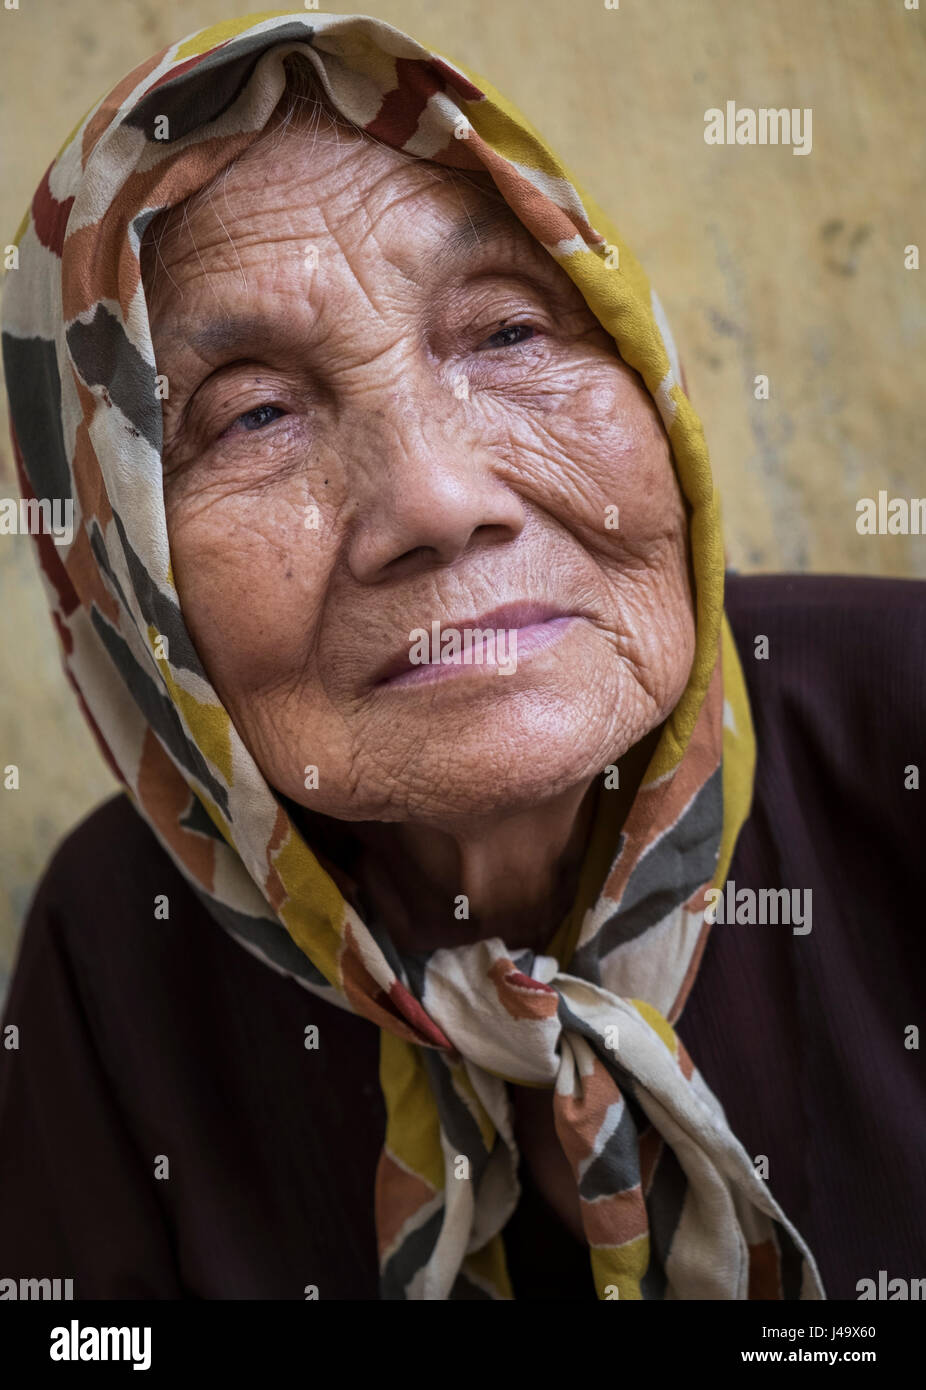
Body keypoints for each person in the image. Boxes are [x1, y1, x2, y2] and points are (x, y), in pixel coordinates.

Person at [0, 11, 922, 1302]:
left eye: (507, 334)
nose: (434, 499)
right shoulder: (119, 951)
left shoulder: (903, 732)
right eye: (252, 414)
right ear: (122, 576)